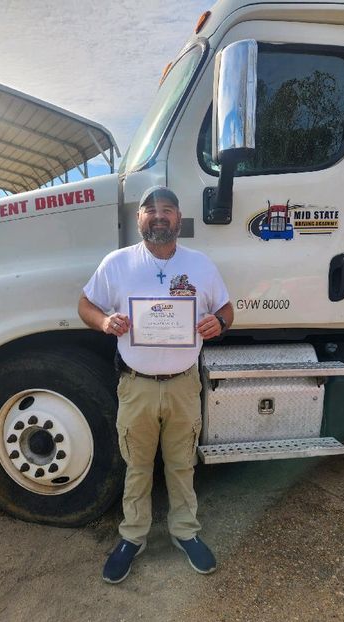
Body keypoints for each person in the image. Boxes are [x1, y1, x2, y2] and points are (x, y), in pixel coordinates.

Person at [78, 185, 233, 584]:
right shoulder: (117, 263)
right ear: (139, 219)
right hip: (137, 386)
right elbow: (85, 304)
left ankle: (186, 532)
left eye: (167, 209)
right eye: (151, 210)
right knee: (138, 467)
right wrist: (104, 322)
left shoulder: (201, 265)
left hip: (184, 384)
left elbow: (226, 308)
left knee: (182, 464)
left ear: (179, 219)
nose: (159, 216)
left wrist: (221, 322)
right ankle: (133, 537)